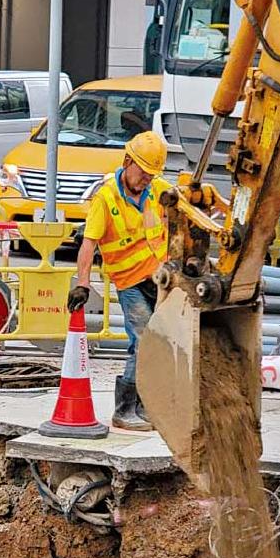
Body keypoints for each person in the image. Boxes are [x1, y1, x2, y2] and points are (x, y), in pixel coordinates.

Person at [67, 131, 172, 431]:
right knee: (143, 340)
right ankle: (124, 409)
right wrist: (83, 283)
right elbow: (89, 244)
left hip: (159, 280)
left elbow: (184, 209)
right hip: (130, 283)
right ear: (128, 162)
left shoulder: (158, 190)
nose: (146, 179)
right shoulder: (107, 197)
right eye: (143, 172)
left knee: (159, 343)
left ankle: (145, 405)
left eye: (152, 174)